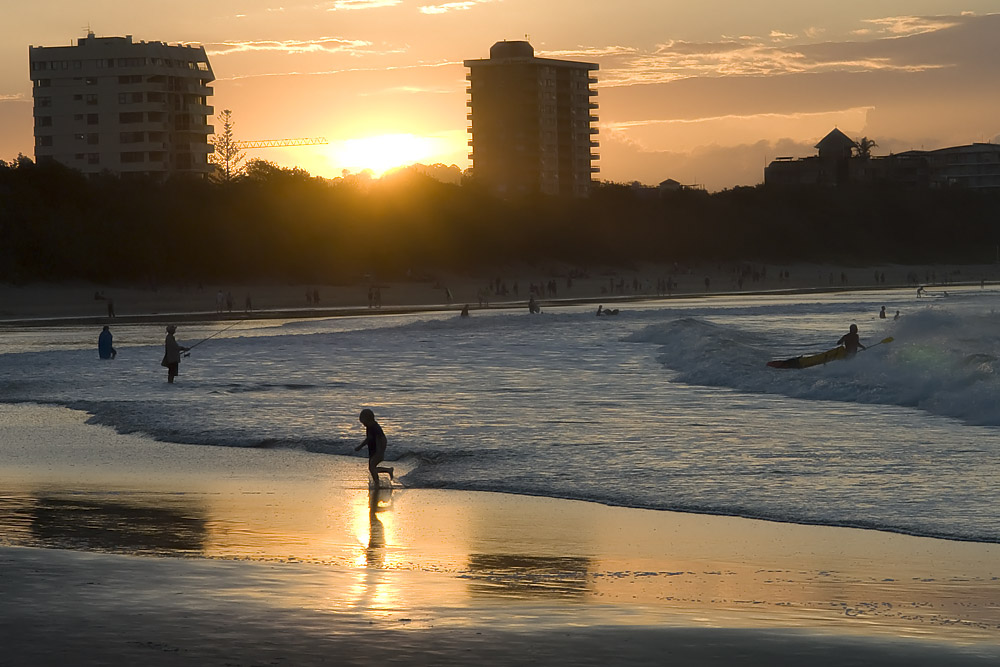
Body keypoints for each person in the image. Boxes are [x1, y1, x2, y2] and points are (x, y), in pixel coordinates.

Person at [354, 408, 394, 486]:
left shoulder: (375, 427)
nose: (363, 425)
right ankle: (377, 482)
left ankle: (386, 473)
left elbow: (382, 439)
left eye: (364, 422)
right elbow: (369, 439)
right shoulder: (369, 427)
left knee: (372, 467)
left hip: (378, 450)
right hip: (373, 449)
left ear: (368, 419)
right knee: (372, 468)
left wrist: (380, 450)